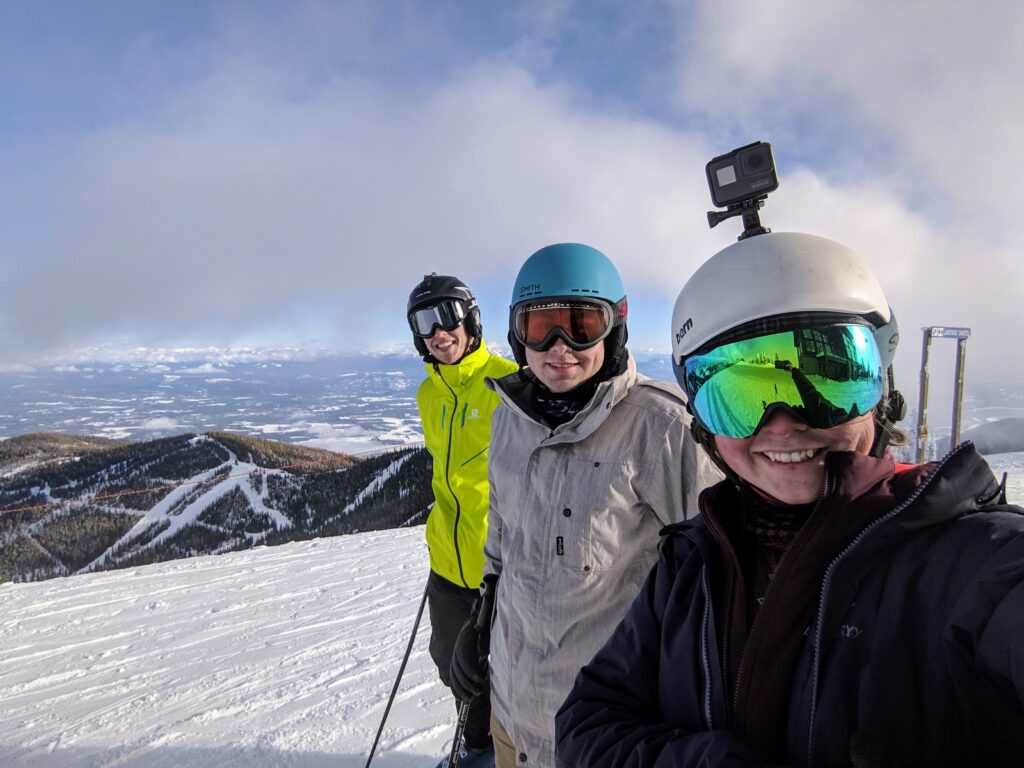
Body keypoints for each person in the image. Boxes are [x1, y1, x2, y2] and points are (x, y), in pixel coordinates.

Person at [555, 231, 1024, 767]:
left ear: (880, 394)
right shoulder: (692, 561)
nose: (782, 426)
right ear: (704, 427)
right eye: (738, 395)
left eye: (828, 379)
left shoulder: (973, 566)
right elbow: (586, 723)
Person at [448, 243, 721, 768]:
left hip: (602, 734)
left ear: (614, 328)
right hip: (513, 713)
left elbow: (722, 570)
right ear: (516, 333)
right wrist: (483, 611)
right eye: (540, 327)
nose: (559, 346)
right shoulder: (509, 418)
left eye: (582, 325)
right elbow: (502, 530)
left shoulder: (661, 429)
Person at [407, 273, 518, 768]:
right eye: (425, 322)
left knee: (507, 675)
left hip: (501, 567)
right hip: (448, 566)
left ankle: (510, 753)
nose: (439, 331)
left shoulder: (511, 381)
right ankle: (477, 748)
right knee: (453, 665)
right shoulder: (428, 395)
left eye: (448, 315)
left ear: (470, 318)